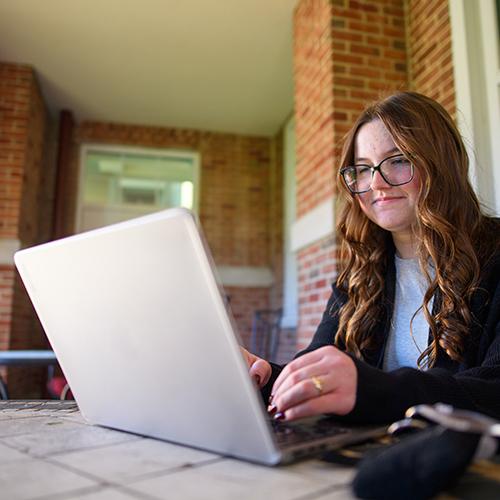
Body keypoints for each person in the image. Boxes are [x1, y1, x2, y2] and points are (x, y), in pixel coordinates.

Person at [243, 91, 500, 425]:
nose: (376, 183)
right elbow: (322, 369)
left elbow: (493, 392)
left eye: (398, 160)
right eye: (362, 169)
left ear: (443, 163)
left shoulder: (493, 256)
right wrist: (263, 378)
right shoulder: (359, 276)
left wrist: (372, 390)